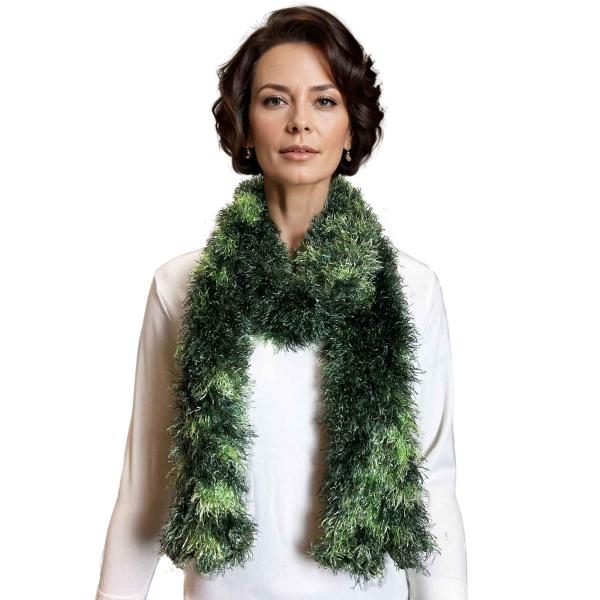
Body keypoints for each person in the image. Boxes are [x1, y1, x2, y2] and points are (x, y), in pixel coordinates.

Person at [95, 6, 468, 599]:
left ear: (351, 128)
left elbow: (432, 481)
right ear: (245, 125)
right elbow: (146, 487)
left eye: (324, 101)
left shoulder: (410, 288)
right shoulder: (181, 286)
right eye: (275, 101)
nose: (299, 123)